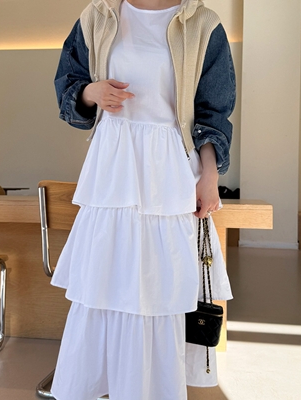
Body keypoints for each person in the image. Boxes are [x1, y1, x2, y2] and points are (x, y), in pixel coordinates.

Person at [50, 0, 235, 399]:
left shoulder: (202, 23)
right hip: (112, 165)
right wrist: (91, 92)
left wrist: (210, 174)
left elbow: (213, 111)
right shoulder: (98, 15)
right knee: (104, 281)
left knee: (160, 288)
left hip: (170, 168)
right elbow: (68, 85)